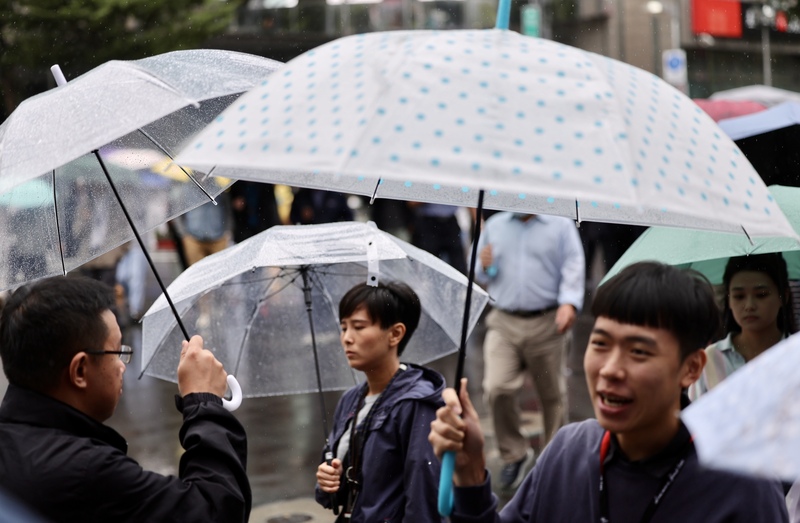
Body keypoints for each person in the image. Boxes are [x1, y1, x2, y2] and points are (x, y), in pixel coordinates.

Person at [428, 262, 789, 522]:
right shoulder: (569, 451)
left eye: (639, 352)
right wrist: (471, 473)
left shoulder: (744, 484)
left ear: (691, 368)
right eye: (600, 344)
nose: (611, 369)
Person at [0, 276, 251, 523]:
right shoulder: (89, 472)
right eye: (117, 351)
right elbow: (216, 511)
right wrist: (204, 403)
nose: (122, 366)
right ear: (79, 371)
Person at [315, 281, 445, 522]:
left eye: (359, 327)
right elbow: (338, 494)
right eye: (343, 328)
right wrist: (327, 481)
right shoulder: (350, 400)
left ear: (395, 333)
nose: (347, 338)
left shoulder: (416, 404)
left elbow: (423, 496)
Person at [474, 211, 585, 489]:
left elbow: (574, 263)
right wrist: (484, 266)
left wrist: (569, 302)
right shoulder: (495, 225)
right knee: (496, 387)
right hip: (503, 321)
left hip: (548, 322)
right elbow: (480, 270)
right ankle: (514, 453)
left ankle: (553, 459)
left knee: (552, 395)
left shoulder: (560, 225)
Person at [689, 253, 796, 399]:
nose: (749, 306)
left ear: (784, 296)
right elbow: (694, 417)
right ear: (729, 300)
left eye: (761, 294)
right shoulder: (711, 358)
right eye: (739, 296)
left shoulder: (795, 355)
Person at [408, 203, 468, 274]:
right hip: (428, 222)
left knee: (459, 266)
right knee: (429, 266)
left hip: (450, 221)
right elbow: (411, 203)